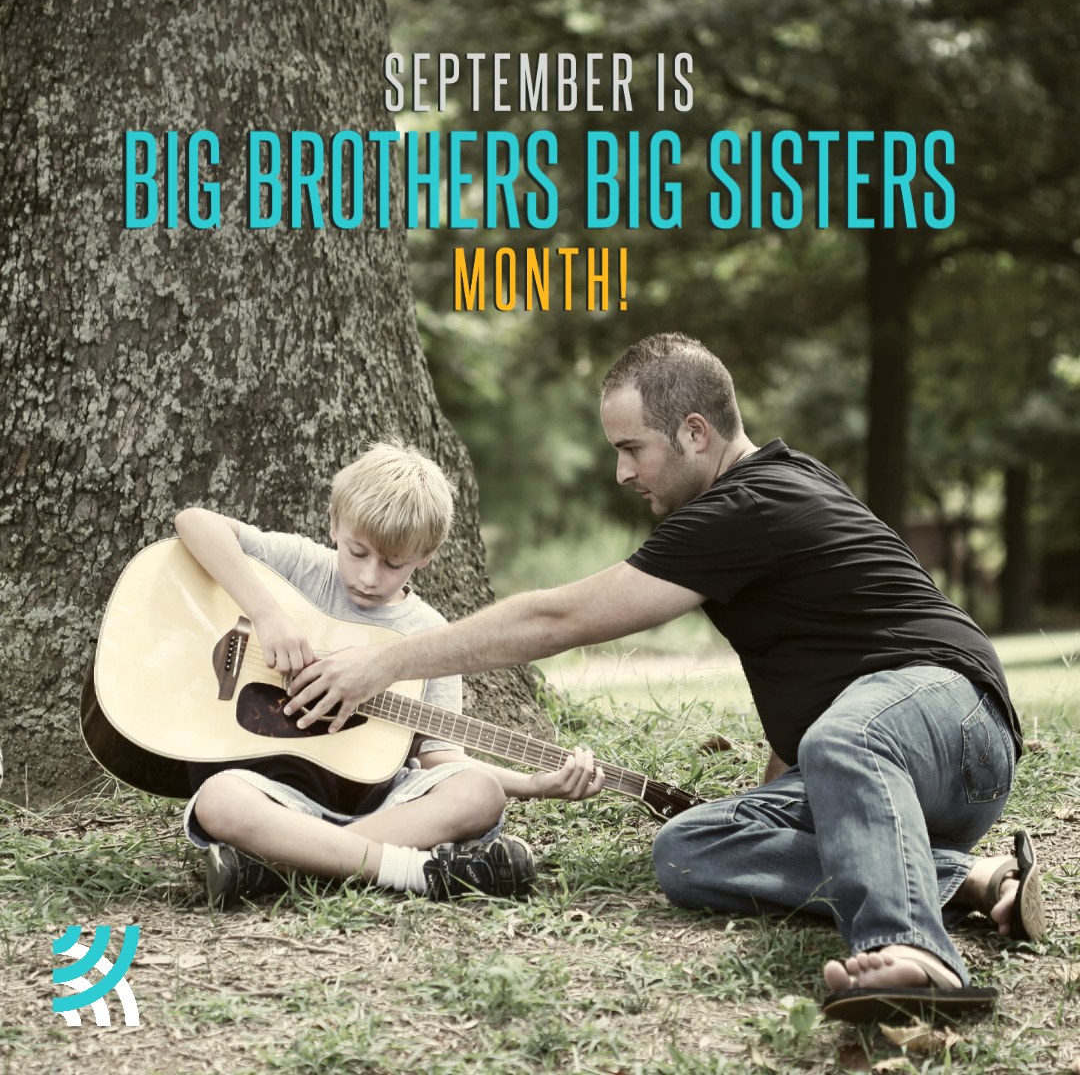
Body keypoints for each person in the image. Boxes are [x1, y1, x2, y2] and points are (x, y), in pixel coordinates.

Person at [281, 335, 1046, 1022]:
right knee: (692, 848)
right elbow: (806, 692)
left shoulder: (752, 504)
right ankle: (972, 878)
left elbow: (556, 620)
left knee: (842, 736)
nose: (620, 472)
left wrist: (383, 660)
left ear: (694, 433)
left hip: (952, 719)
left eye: (631, 448)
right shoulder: (758, 502)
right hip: (890, 773)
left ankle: (916, 955)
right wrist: (772, 801)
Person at [175, 440, 604, 909]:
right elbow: (194, 522)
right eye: (357, 552)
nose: (369, 577)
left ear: (425, 557)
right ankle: (411, 872)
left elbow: (442, 757)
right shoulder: (305, 567)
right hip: (278, 793)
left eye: (393, 564)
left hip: (380, 803)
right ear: (335, 525)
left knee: (477, 793)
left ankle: (282, 868)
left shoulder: (426, 632)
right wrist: (267, 615)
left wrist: (535, 785)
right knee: (220, 798)